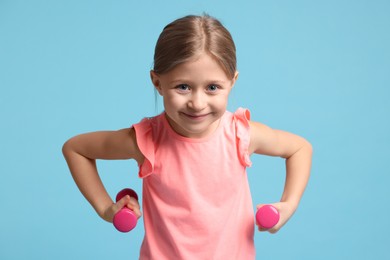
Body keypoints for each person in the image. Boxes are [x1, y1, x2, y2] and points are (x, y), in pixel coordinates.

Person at [62, 14, 312, 259]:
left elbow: (300, 148)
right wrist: (106, 209)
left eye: (212, 87)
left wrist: (288, 205)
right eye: (183, 87)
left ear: (232, 82)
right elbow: (76, 149)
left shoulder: (240, 134)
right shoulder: (146, 140)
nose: (197, 103)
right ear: (157, 82)